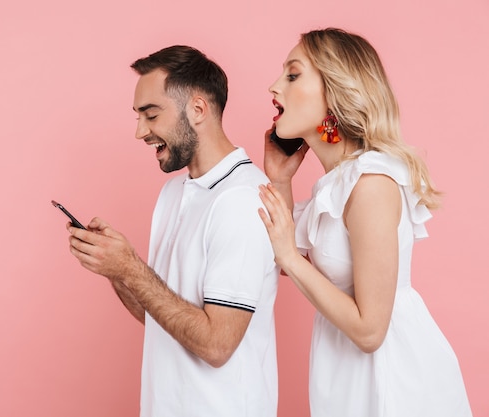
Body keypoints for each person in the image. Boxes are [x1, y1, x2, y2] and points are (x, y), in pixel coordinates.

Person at [258, 28, 473, 417]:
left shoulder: (371, 182)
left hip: (395, 383)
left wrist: (290, 256)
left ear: (335, 90)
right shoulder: (340, 180)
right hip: (348, 375)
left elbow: (371, 331)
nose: (274, 86)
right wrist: (280, 179)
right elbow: (286, 254)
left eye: (292, 75)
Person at [66, 45, 280, 417]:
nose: (139, 131)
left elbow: (216, 345)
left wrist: (131, 267)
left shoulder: (242, 199)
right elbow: (163, 317)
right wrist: (115, 271)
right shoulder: (173, 193)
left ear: (198, 109)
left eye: (151, 115)